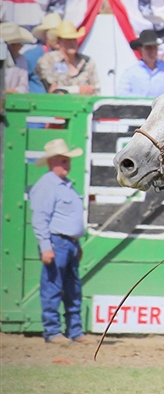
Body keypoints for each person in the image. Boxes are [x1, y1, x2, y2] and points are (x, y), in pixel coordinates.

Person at [29, 139, 92, 345]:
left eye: (67, 161)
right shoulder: (47, 186)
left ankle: (74, 331)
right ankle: (53, 331)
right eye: (63, 161)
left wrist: (76, 243)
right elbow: (40, 219)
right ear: (52, 162)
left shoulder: (64, 185)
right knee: (53, 287)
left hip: (69, 244)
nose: (67, 164)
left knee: (73, 289)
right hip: (57, 243)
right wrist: (46, 247)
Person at [35, 21, 99, 95]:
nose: (72, 43)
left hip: (83, 105)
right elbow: (53, 91)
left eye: (74, 39)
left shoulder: (87, 62)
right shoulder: (48, 60)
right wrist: (78, 90)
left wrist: (65, 90)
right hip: (57, 105)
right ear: (59, 42)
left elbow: (96, 90)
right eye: (68, 40)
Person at [117, 30, 164, 98]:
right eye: (148, 47)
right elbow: (121, 94)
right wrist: (144, 101)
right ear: (140, 49)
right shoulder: (131, 72)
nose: (153, 51)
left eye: (155, 47)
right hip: (139, 108)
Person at [23, 12, 61, 93]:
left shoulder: (67, 56)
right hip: (36, 103)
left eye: (60, 35)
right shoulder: (31, 55)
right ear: (45, 35)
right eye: (53, 34)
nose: (57, 39)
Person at [1, 21, 32, 93]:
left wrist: (11, 91)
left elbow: (24, 86)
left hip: (13, 100)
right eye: (16, 44)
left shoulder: (22, 60)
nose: (20, 46)